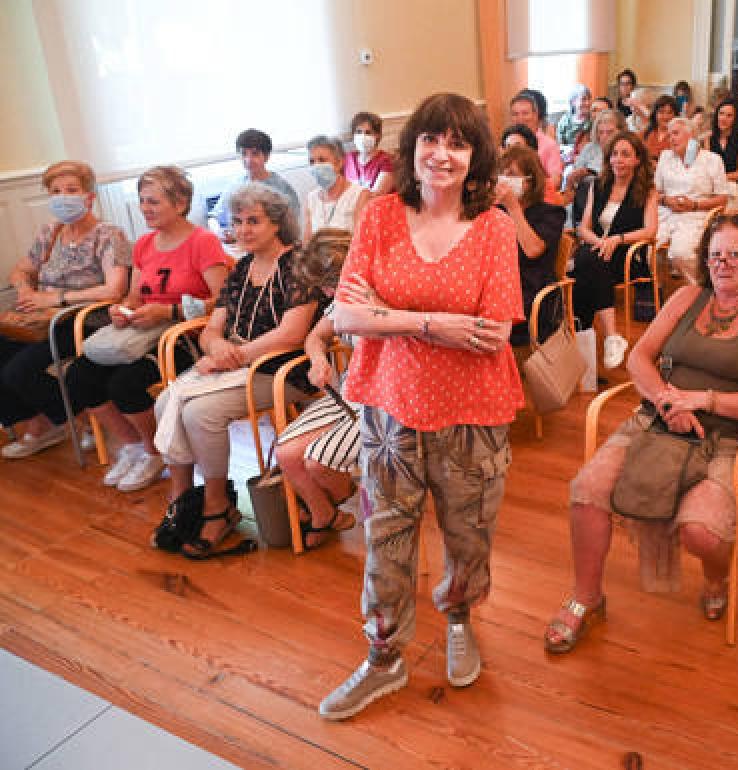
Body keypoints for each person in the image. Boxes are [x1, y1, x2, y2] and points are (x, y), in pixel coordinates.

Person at [317, 93, 526, 720]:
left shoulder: (492, 228)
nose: (442, 153)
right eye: (430, 138)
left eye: (458, 142)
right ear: (412, 148)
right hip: (390, 407)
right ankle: (384, 656)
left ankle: (458, 614)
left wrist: (389, 316)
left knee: (469, 536)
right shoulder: (380, 217)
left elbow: (492, 332)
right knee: (386, 538)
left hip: (473, 410)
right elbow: (346, 314)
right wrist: (434, 321)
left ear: (474, 157)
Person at [543, 212, 738, 653]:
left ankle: (717, 576)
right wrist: (666, 402)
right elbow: (639, 358)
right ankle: (586, 597)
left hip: (730, 436)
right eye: (716, 254)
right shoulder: (687, 297)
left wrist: (704, 400)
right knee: (587, 490)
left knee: (702, 533)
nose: (723, 264)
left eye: (736, 255)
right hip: (658, 420)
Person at [154, 183, 320, 556]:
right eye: (238, 221)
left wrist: (235, 355)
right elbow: (213, 326)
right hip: (237, 365)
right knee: (166, 402)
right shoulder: (241, 268)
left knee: (200, 413)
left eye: (253, 221)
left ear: (277, 224)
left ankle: (217, 507)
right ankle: (180, 498)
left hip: (282, 371)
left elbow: (293, 334)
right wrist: (216, 346)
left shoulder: (299, 266)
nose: (243, 229)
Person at [63, 166, 230, 490]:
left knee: (124, 383)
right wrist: (122, 310)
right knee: (79, 374)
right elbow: (134, 296)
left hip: (184, 336)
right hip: (143, 333)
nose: (145, 208)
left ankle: (156, 452)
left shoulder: (203, 242)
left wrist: (169, 310)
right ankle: (134, 445)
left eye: (153, 201)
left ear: (180, 203)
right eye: (142, 201)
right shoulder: (144, 245)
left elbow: (222, 301)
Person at [1, 161, 131, 460]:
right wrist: (24, 289)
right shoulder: (51, 232)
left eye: (72, 190)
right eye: (56, 191)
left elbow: (114, 290)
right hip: (43, 319)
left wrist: (56, 298)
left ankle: (74, 420)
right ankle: (43, 424)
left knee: (18, 370)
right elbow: (22, 269)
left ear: (89, 196)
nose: (63, 197)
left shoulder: (110, 235)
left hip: (84, 321)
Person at [273, 228, 358, 550]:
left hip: (386, 398)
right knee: (287, 453)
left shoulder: (384, 299)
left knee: (318, 463)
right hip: (351, 391)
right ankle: (326, 514)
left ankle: (345, 491)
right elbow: (314, 337)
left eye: (329, 284)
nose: (326, 292)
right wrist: (318, 360)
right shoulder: (341, 302)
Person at [572, 132, 658, 370]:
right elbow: (583, 228)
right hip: (598, 252)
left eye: (625, 154)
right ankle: (611, 337)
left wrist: (617, 239)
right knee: (590, 259)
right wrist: (601, 243)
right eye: (614, 154)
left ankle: (586, 337)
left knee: (584, 267)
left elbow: (650, 231)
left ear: (637, 160)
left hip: (627, 256)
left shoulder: (647, 191)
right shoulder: (598, 185)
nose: (618, 160)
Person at [496, 145, 566, 345]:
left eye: (511, 175)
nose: (504, 180)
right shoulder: (497, 212)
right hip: (503, 285)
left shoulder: (550, 213)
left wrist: (513, 207)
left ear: (529, 181)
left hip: (534, 292)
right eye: (501, 174)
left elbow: (533, 250)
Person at [656, 118, 736, 281]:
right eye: (669, 135)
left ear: (691, 136)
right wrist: (666, 200)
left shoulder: (712, 160)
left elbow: (722, 199)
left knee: (682, 252)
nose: (671, 138)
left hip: (698, 214)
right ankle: (665, 293)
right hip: (666, 213)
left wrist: (694, 205)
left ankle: (699, 287)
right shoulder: (665, 157)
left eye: (676, 134)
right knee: (648, 250)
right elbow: (655, 192)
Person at [209, 129, 301, 242]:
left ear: (266, 157)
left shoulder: (280, 189)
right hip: (236, 246)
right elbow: (213, 217)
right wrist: (219, 232)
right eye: (244, 154)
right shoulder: (235, 185)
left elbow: (291, 228)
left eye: (255, 154)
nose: (248, 160)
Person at [303, 135, 371, 237]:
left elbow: (361, 241)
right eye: (312, 161)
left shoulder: (360, 195)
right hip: (316, 253)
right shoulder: (311, 198)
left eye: (322, 160)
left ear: (339, 162)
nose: (316, 166)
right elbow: (307, 242)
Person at [511, 91, 563, 180]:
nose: (520, 118)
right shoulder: (508, 143)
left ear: (535, 115)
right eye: (515, 114)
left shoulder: (549, 145)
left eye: (525, 113)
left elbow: (556, 180)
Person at [705, 98, 738, 190]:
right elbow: (708, 167)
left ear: (735, 119)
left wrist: (717, 179)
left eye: (729, 115)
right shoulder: (709, 138)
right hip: (716, 184)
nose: (723, 118)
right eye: (721, 113)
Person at [343, 112, 395, 195]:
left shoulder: (387, 161)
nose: (362, 136)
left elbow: (376, 195)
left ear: (377, 135)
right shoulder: (349, 159)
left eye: (368, 132)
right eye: (358, 132)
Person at [644, 95, 680, 165]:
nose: (666, 116)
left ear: (675, 115)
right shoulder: (647, 131)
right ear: (655, 114)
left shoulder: (679, 135)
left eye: (670, 113)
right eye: (661, 112)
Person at [557, 84, 594, 150]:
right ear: (573, 102)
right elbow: (559, 143)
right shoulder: (565, 120)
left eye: (589, 99)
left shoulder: (593, 120)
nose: (588, 103)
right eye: (583, 99)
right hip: (567, 155)